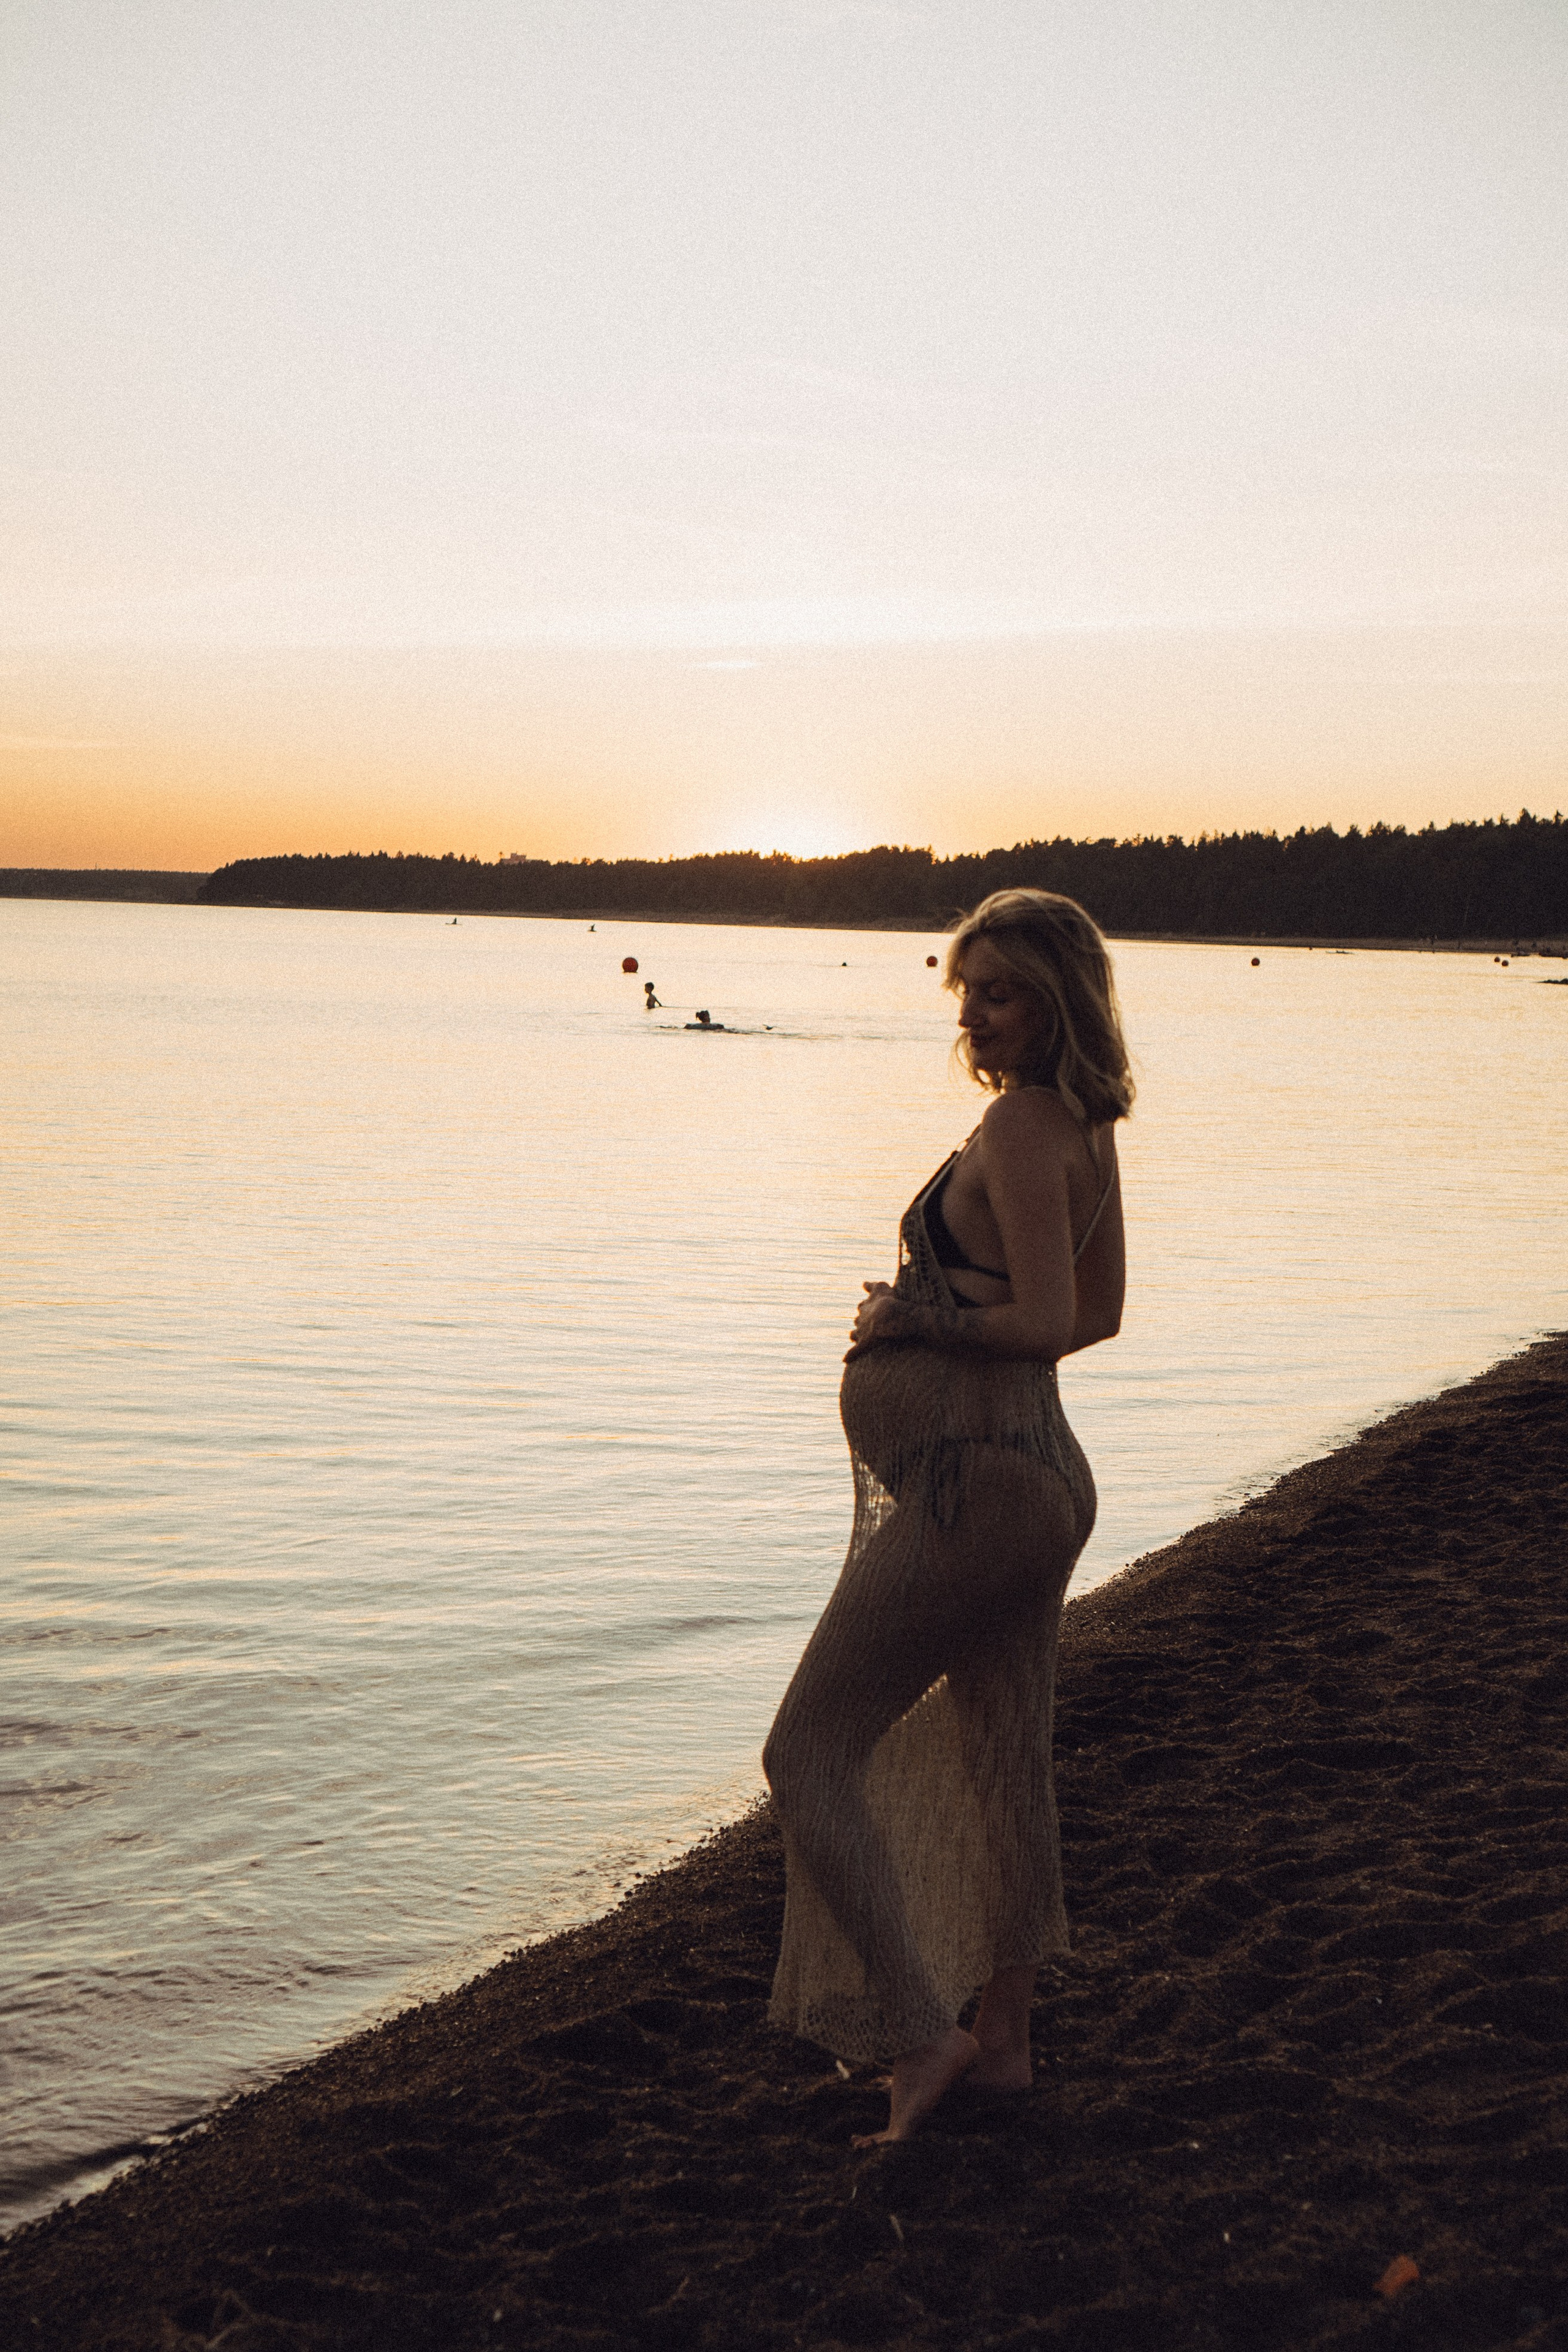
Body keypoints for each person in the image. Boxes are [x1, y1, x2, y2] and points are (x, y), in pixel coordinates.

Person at [763, 888, 1133, 2146]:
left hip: (986, 1484)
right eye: (967, 990)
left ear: (1059, 1003)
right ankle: (1005, 2044)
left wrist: (915, 1317)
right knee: (1001, 1759)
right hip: (1035, 1478)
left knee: (807, 1754)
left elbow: (1049, 1321)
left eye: (1003, 993)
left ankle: (924, 2034)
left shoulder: (1024, 1125)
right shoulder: (1082, 1125)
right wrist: (952, 1315)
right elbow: (1096, 1315)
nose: (975, 1015)